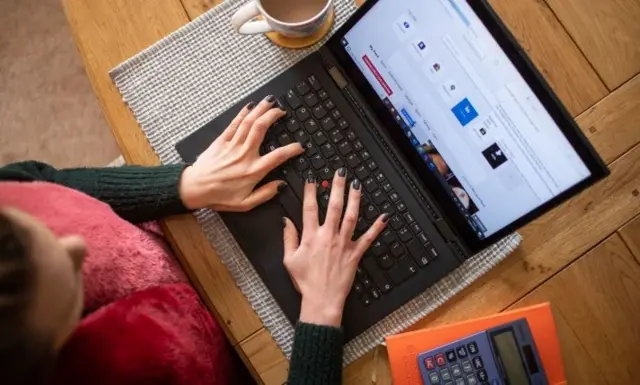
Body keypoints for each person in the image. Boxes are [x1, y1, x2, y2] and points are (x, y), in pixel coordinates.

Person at [0, 96, 387, 385]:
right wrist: (321, 308)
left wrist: (183, 185)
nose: (77, 247)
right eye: (68, 281)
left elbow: (33, 180)